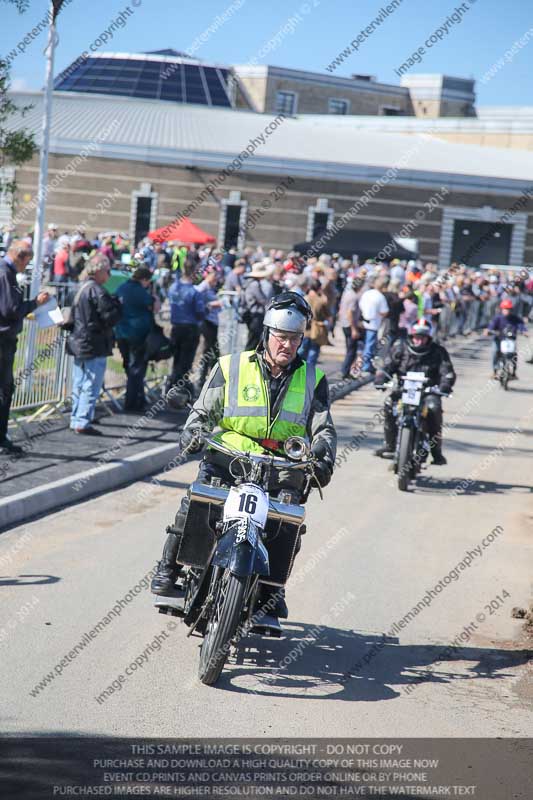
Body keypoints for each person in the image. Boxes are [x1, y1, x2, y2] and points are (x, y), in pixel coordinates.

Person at [151, 292, 337, 621]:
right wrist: (192, 432)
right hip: (229, 457)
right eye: (281, 337)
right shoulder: (231, 366)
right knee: (196, 502)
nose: (287, 345)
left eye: (294, 338)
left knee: (287, 522)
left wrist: (323, 458)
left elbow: (323, 429)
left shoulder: (313, 378)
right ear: (267, 334)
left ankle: (270, 591)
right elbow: (203, 409)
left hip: (280, 467)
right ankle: (169, 569)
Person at [374, 318, 456, 465]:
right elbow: (387, 366)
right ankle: (390, 444)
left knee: (434, 409)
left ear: (428, 337)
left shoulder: (438, 351)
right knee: (388, 404)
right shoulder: (400, 348)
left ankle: (436, 451)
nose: (419, 340)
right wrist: (380, 379)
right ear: (411, 336)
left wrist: (445, 385)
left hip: (428, 392)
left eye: (422, 337)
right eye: (417, 336)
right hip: (403, 390)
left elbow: (447, 372)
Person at [0, 241, 50, 455]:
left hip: (5, 338)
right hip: (3, 340)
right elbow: (10, 309)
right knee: (5, 390)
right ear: (19, 256)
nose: (26, 266)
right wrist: (35, 303)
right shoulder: (6, 274)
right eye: (27, 262)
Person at [65, 254, 122, 435]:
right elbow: (110, 317)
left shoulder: (77, 289)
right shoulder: (98, 291)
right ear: (98, 271)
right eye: (107, 271)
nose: (109, 275)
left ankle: (76, 418)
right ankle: (82, 421)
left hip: (78, 342)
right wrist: (118, 305)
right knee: (91, 383)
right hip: (94, 343)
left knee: (79, 383)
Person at [114, 266, 157, 412]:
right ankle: (133, 402)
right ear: (144, 279)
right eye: (148, 282)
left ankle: (136, 398)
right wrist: (154, 296)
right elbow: (154, 306)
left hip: (121, 333)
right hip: (137, 334)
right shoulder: (140, 291)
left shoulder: (121, 288)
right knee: (137, 368)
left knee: (129, 366)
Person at [166, 259, 205, 399]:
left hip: (176, 327)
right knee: (186, 361)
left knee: (176, 360)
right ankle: (179, 390)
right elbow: (200, 313)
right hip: (190, 329)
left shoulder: (173, 288)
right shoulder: (194, 292)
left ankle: (172, 387)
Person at [485, 299, 527, 379]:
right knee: (495, 352)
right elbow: (491, 326)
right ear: (502, 309)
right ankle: (495, 371)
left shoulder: (515, 318)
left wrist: (524, 331)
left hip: (510, 340)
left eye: (508, 309)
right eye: (505, 309)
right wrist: (488, 330)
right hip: (499, 339)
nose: (507, 311)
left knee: (514, 354)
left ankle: (514, 372)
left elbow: (521, 325)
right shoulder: (498, 318)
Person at [196, 266, 223, 387]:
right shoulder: (203, 287)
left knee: (213, 350)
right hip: (207, 322)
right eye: (214, 277)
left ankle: (212, 376)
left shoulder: (210, 288)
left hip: (212, 322)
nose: (216, 280)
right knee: (209, 350)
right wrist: (212, 304)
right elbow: (196, 300)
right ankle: (202, 378)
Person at [359, 276, 389, 374]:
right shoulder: (380, 297)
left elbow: (360, 305)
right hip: (373, 324)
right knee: (369, 346)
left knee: (363, 346)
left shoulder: (367, 294)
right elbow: (384, 311)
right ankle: (365, 366)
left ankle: (363, 365)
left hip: (363, 322)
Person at [299, 279, 331, 366]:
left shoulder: (303, 299)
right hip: (317, 330)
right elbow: (328, 316)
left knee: (301, 353)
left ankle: (296, 374)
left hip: (304, 329)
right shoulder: (321, 301)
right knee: (313, 353)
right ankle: (309, 378)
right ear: (319, 288)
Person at [338, 277, 365, 379]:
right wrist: (354, 329)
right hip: (349, 325)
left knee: (350, 349)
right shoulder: (354, 297)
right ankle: (344, 371)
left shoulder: (347, 294)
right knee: (351, 350)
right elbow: (350, 313)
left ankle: (346, 371)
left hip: (345, 324)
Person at [241, 262, 271, 350]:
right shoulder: (254, 284)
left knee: (252, 339)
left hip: (252, 315)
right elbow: (262, 299)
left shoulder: (249, 283)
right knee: (252, 341)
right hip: (255, 315)